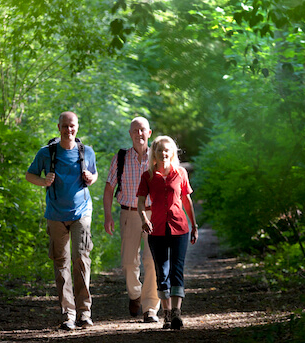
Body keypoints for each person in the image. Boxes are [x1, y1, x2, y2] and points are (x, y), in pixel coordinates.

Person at [25, 111, 98, 331]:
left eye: (72, 126)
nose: (69, 130)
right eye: (65, 126)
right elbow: (30, 175)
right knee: (61, 263)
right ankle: (68, 314)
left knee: (81, 259)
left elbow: (94, 175)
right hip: (56, 214)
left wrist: (90, 178)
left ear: (77, 127)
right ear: (58, 127)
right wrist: (43, 181)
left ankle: (85, 312)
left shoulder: (87, 152)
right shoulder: (46, 153)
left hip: (81, 213)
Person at [136, 135, 198, 330]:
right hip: (156, 229)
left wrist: (194, 225)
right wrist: (144, 219)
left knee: (176, 270)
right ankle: (167, 313)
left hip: (179, 227)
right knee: (161, 273)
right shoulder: (147, 176)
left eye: (167, 150)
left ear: (172, 153)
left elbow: (187, 201)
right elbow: (140, 202)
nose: (164, 153)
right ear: (154, 153)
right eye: (160, 150)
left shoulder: (180, 173)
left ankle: (177, 312)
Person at [103, 117, 161, 323]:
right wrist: (108, 215)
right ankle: (135, 294)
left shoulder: (157, 158)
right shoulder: (120, 158)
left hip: (153, 214)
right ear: (130, 134)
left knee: (152, 260)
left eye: (142, 130)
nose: (139, 134)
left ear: (149, 133)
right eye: (135, 130)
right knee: (129, 262)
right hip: (128, 213)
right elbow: (109, 188)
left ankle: (151, 308)